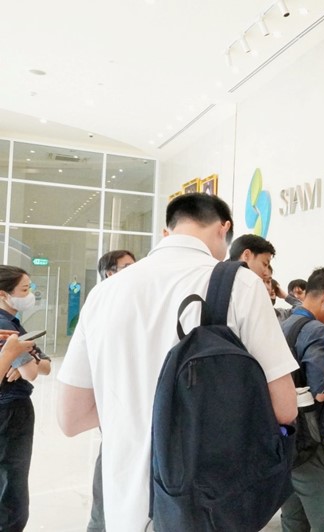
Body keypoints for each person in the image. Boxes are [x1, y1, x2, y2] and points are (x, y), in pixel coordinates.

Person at [56, 193, 298, 531]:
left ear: (167, 230)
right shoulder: (240, 284)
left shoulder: (103, 294)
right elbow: (285, 408)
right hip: (206, 502)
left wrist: (134, 407)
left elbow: (71, 417)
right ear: (224, 228)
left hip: (124, 506)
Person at [280, 268, 324, 532]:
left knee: (293, 518)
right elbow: (322, 388)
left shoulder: (285, 325)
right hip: (311, 442)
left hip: (287, 440)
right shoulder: (316, 330)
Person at [88, 250, 139, 532]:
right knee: (110, 467)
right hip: (116, 405)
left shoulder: (133, 301)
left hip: (133, 403)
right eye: (127, 266)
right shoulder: (101, 304)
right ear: (110, 273)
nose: (135, 270)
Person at [0, 266, 52, 532]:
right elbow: (33, 372)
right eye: (24, 289)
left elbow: (45, 364)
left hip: (11, 408)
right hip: (11, 410)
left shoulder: (14, 325)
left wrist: (28, 362)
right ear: (3, 294)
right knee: (12, 480)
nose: (30, 294)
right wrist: (18, 359)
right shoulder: (6, 329)